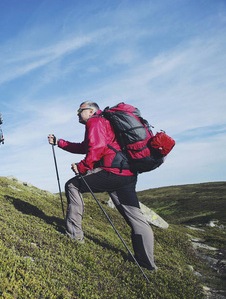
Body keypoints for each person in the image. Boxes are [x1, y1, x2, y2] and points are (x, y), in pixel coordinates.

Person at [48, 101, 157, 270]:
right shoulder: (105, 123)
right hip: (127, 173)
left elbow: (96, 148)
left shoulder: (95, 121)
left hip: (111, 171)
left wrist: (83, 166)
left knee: (72, 185)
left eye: (80, 110)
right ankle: (147, 263)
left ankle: (74, 236)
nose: (77, 114)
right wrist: (59, 142)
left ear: (91, 111)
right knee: (134, 215)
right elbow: (86, 147)